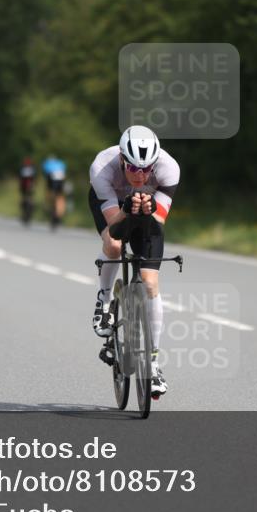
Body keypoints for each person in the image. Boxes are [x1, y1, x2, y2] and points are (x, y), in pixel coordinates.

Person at [88, 125, 180, 397]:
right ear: (121, 160)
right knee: (114, 245)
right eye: (133, 168)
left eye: (146, 170)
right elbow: (114, 225)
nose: (140, 176)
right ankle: (104, 300)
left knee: (150, 284)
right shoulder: (102, 167)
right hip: (113, 207)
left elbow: (158, 223)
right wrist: (127, 209)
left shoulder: (169, 168)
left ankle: (152, 364)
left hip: (147, 210)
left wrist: (147, 211)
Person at [41, 154, 67, 226]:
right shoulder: (60, 163)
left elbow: (45, 174)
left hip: (51, 180)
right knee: (60, 196)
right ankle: (59, 212)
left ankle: (48, 205)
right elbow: (64, 171)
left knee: (49, 193)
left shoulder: (47, 163)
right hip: (60, 181)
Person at [19, 156, 36, 224]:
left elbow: (20, 178)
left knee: (24, 198)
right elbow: (34, 178)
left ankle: (25, 209)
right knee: (30, 198)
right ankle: (31, 205)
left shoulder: (23, 168)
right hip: (29, 187)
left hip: (24, 187)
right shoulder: (32, 169)